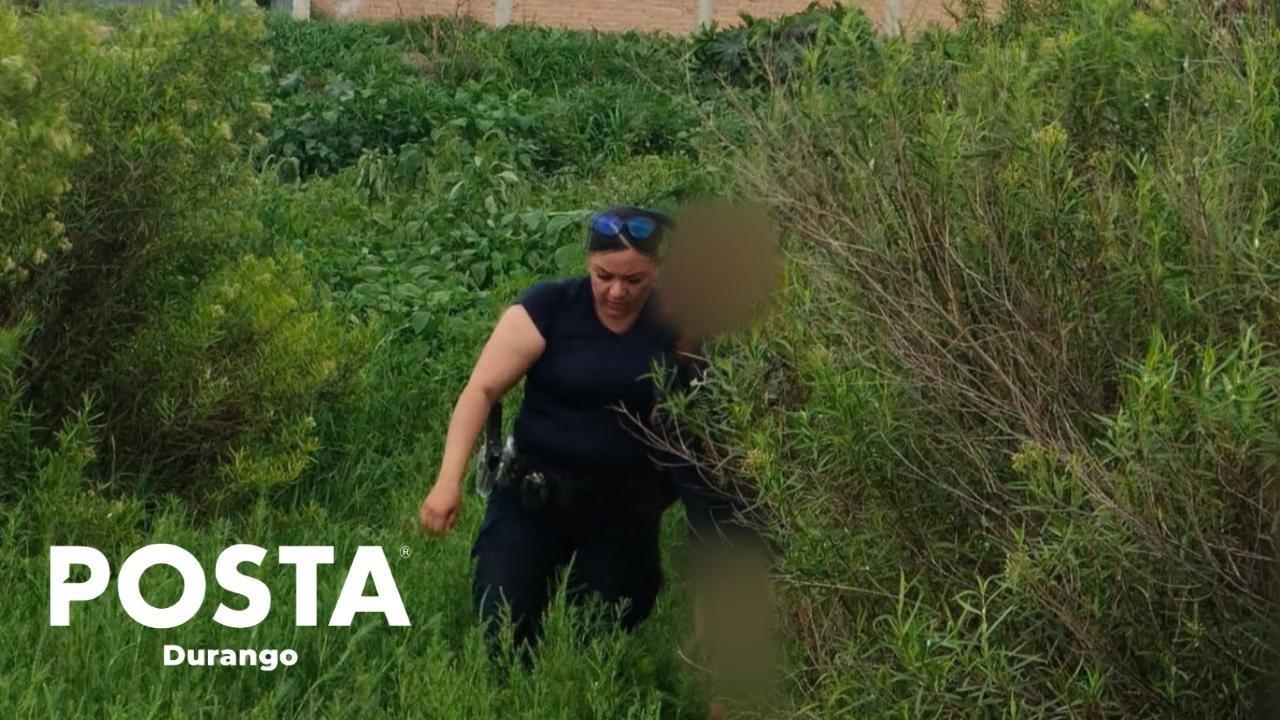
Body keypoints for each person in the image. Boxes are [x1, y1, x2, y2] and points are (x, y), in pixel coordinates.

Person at [418, 205, 746, 650]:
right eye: (603, 275)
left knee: (602, 634)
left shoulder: (675, 327)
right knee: (503, 631)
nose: (616, 291)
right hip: (532, 499)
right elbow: (482, 391)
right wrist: (446, 481)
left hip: (622, 511)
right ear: (588, 263)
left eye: (634, 280)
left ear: (657, 271)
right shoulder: (549, 307)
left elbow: (705, 404)